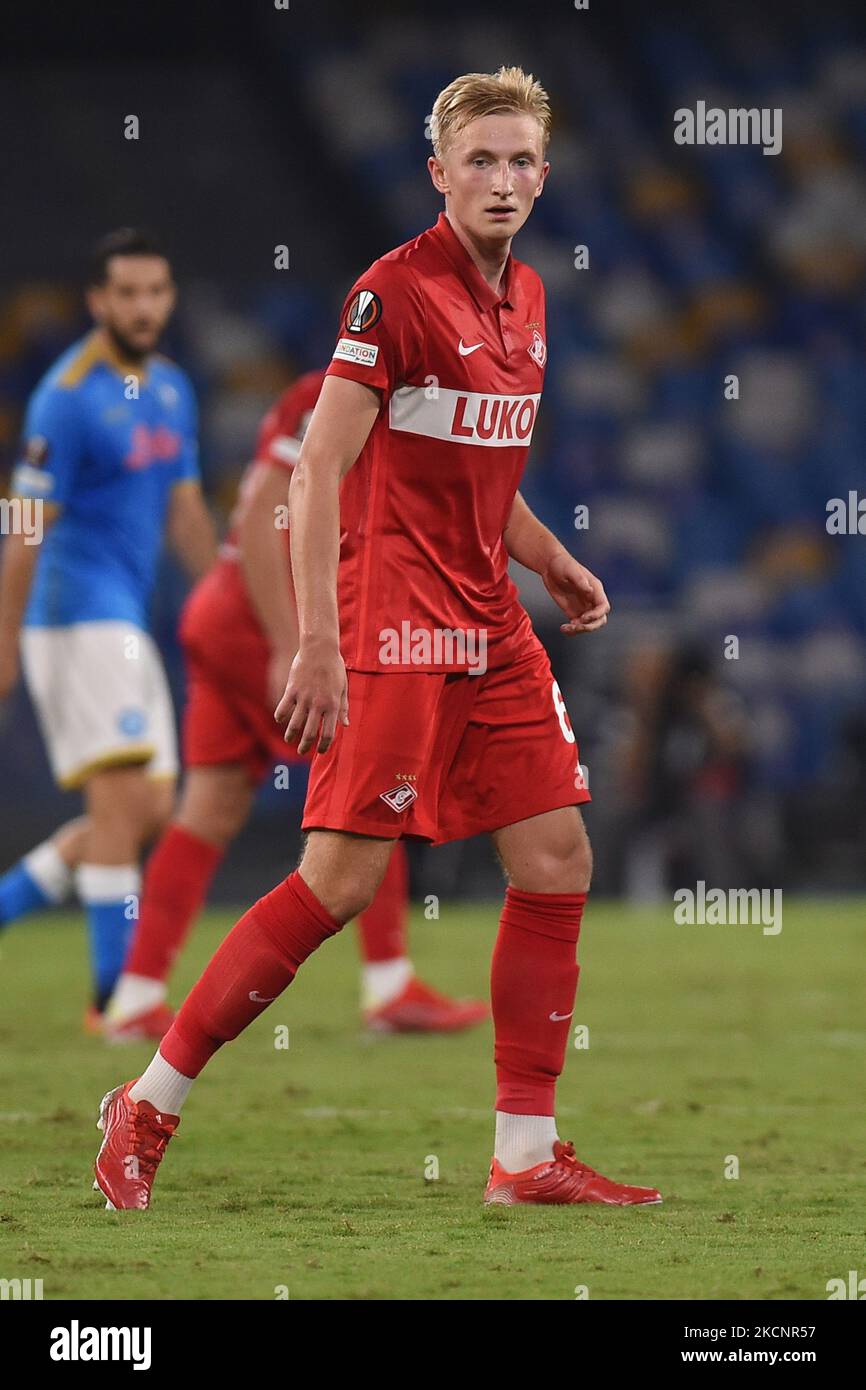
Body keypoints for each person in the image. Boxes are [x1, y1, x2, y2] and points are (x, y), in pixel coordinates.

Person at [94, 67, 661, 1209]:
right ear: (438, 174)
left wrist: (544, 557)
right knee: (338, 882)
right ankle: (148, 1099)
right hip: (394, 620)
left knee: (555, 858)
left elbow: (474, 471)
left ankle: (520, 1154)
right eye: (478, 161)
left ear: (541, 178)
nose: (499, 180)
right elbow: (318, 468)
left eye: (518, 162)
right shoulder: (390, 295)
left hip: (490, 622)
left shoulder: (532, 301)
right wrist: (315, 642)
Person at [103, 369, 487, 1040]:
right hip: (262, 613)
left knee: (210, 807)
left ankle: (135, 997)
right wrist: (291, 642)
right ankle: (390, 984)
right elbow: (263, 514)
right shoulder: (347, 391)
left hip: (225, 608)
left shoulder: (340, 389)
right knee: (377, 776)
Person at [0, 228, 217, 1031]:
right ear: (98, 302)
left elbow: (186, 510)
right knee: (128, 810)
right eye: (126, 293)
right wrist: (2, 641)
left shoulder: (170, 389)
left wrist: (228, 599)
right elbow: (23, 521)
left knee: (147, 810)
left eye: (155, 292)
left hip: (122, 618)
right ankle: (116, 996)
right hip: (74, 618)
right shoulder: (67, 393)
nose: (142, 306)